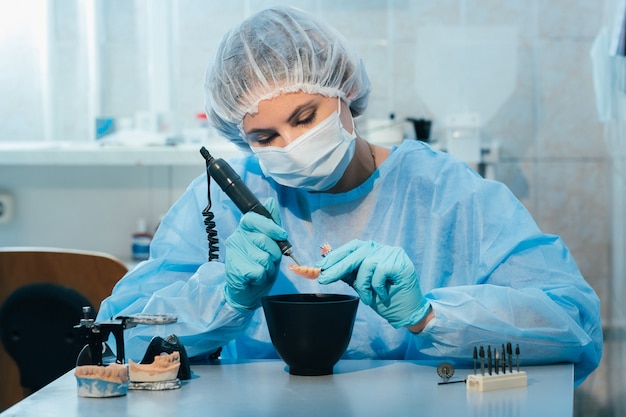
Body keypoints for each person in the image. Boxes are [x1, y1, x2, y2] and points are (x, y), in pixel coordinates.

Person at [97, 6, 602, 385]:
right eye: (265, 137)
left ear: (345, 94)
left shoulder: (445, 194)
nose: (293, 147)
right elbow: (115, 340)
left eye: (305, 117)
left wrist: (430, 315)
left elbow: (572, 323)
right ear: (239, 138)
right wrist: (224, 299)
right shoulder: (231, 199)